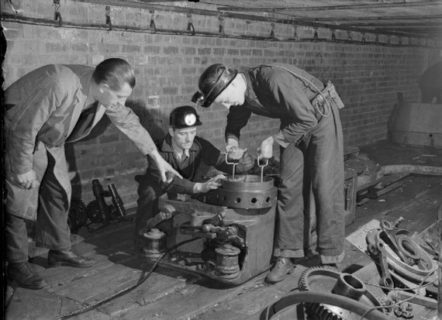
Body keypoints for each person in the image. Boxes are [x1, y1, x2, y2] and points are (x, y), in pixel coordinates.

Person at [4, 58, 182, 289]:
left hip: (50, 138)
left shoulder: (100, 87)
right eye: (119, 97)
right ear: (104, 88)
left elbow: (129, 121)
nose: (122, 102)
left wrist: (157, 158)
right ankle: (16, 263)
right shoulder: (60, 83)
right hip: (19, 135)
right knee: (20, 200)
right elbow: (23, 126)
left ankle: (59, 250)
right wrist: (22, 168)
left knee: (59, 192)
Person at [192, 63, 346, 283]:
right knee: (288, 186)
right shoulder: (239, 93)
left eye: (225, 99)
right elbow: (234, 122)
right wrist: (232, 144)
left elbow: (308, 118)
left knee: (324, 186)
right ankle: (288, 254)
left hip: (320, 117)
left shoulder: (272, 79)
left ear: (234, 82)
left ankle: (330, 257)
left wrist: (272, 141)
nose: (227, 105)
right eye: (222, 103)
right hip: (295, 122)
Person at [134, 105, 254, 249]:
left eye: (192, 132)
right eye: (183, 133)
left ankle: (193, 236)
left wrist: (242, 163)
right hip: (161, 185)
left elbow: (220, 161)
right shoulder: (157, 149)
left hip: (188, 188)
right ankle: (141, 238)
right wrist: (198, 187)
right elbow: (168, 181)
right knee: (149, 193)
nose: (188, 139)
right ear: (172, 131)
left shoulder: (200, 145)